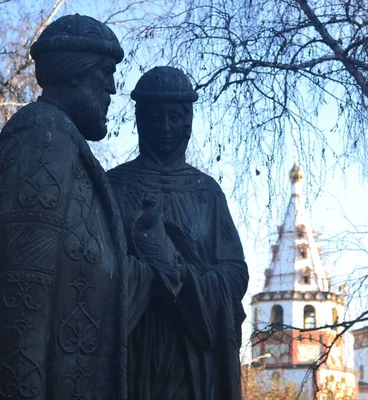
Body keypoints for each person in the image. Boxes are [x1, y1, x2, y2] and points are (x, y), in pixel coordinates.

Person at [0, 15, 179, 400]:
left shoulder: (67, 147)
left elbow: (84, 280)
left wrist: (150, 254)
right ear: (76, 73)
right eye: (106, 72)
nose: (112, 87)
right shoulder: (40, 140)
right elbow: (19, 302)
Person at [107, 66, 249, 400]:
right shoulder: (113, 186)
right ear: (140, 120)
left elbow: (235, 271)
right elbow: (94, 267)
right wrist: (146, 272)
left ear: (189, 121)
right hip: (136, 344)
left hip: (194, 350)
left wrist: (186, 278)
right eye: (156, 117)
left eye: (175, 117)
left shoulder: (206, 192)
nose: (166, 128)